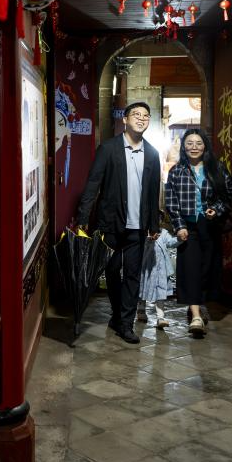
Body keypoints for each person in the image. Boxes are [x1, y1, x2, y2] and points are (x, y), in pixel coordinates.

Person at [76, 102, 161, 343]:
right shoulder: (109, 148)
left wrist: (154, 224)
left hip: (138, 226)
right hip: (111, 223)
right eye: (136, 114)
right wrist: (83, 218)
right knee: (112, 271)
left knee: (133, 275)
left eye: (146, 116)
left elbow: (153, 191)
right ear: (125, 119)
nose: (141, 118)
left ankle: (126, 323)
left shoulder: (152, 154)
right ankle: (116, 314)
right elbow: (93, 183)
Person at [164, 129, 232, 337]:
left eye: (198, 143)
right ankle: (196, 315)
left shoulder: (217, 168)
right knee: (190, 268)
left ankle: (196, 304)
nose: (194, 147)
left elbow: (228, 194)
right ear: (183, 147)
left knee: (207, 268)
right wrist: (179, 226)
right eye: (189, 143)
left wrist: (216, 210)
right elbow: (171, 202)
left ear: (205, 146)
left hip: (210, 226)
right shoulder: (176, 171)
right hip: (188, 227)